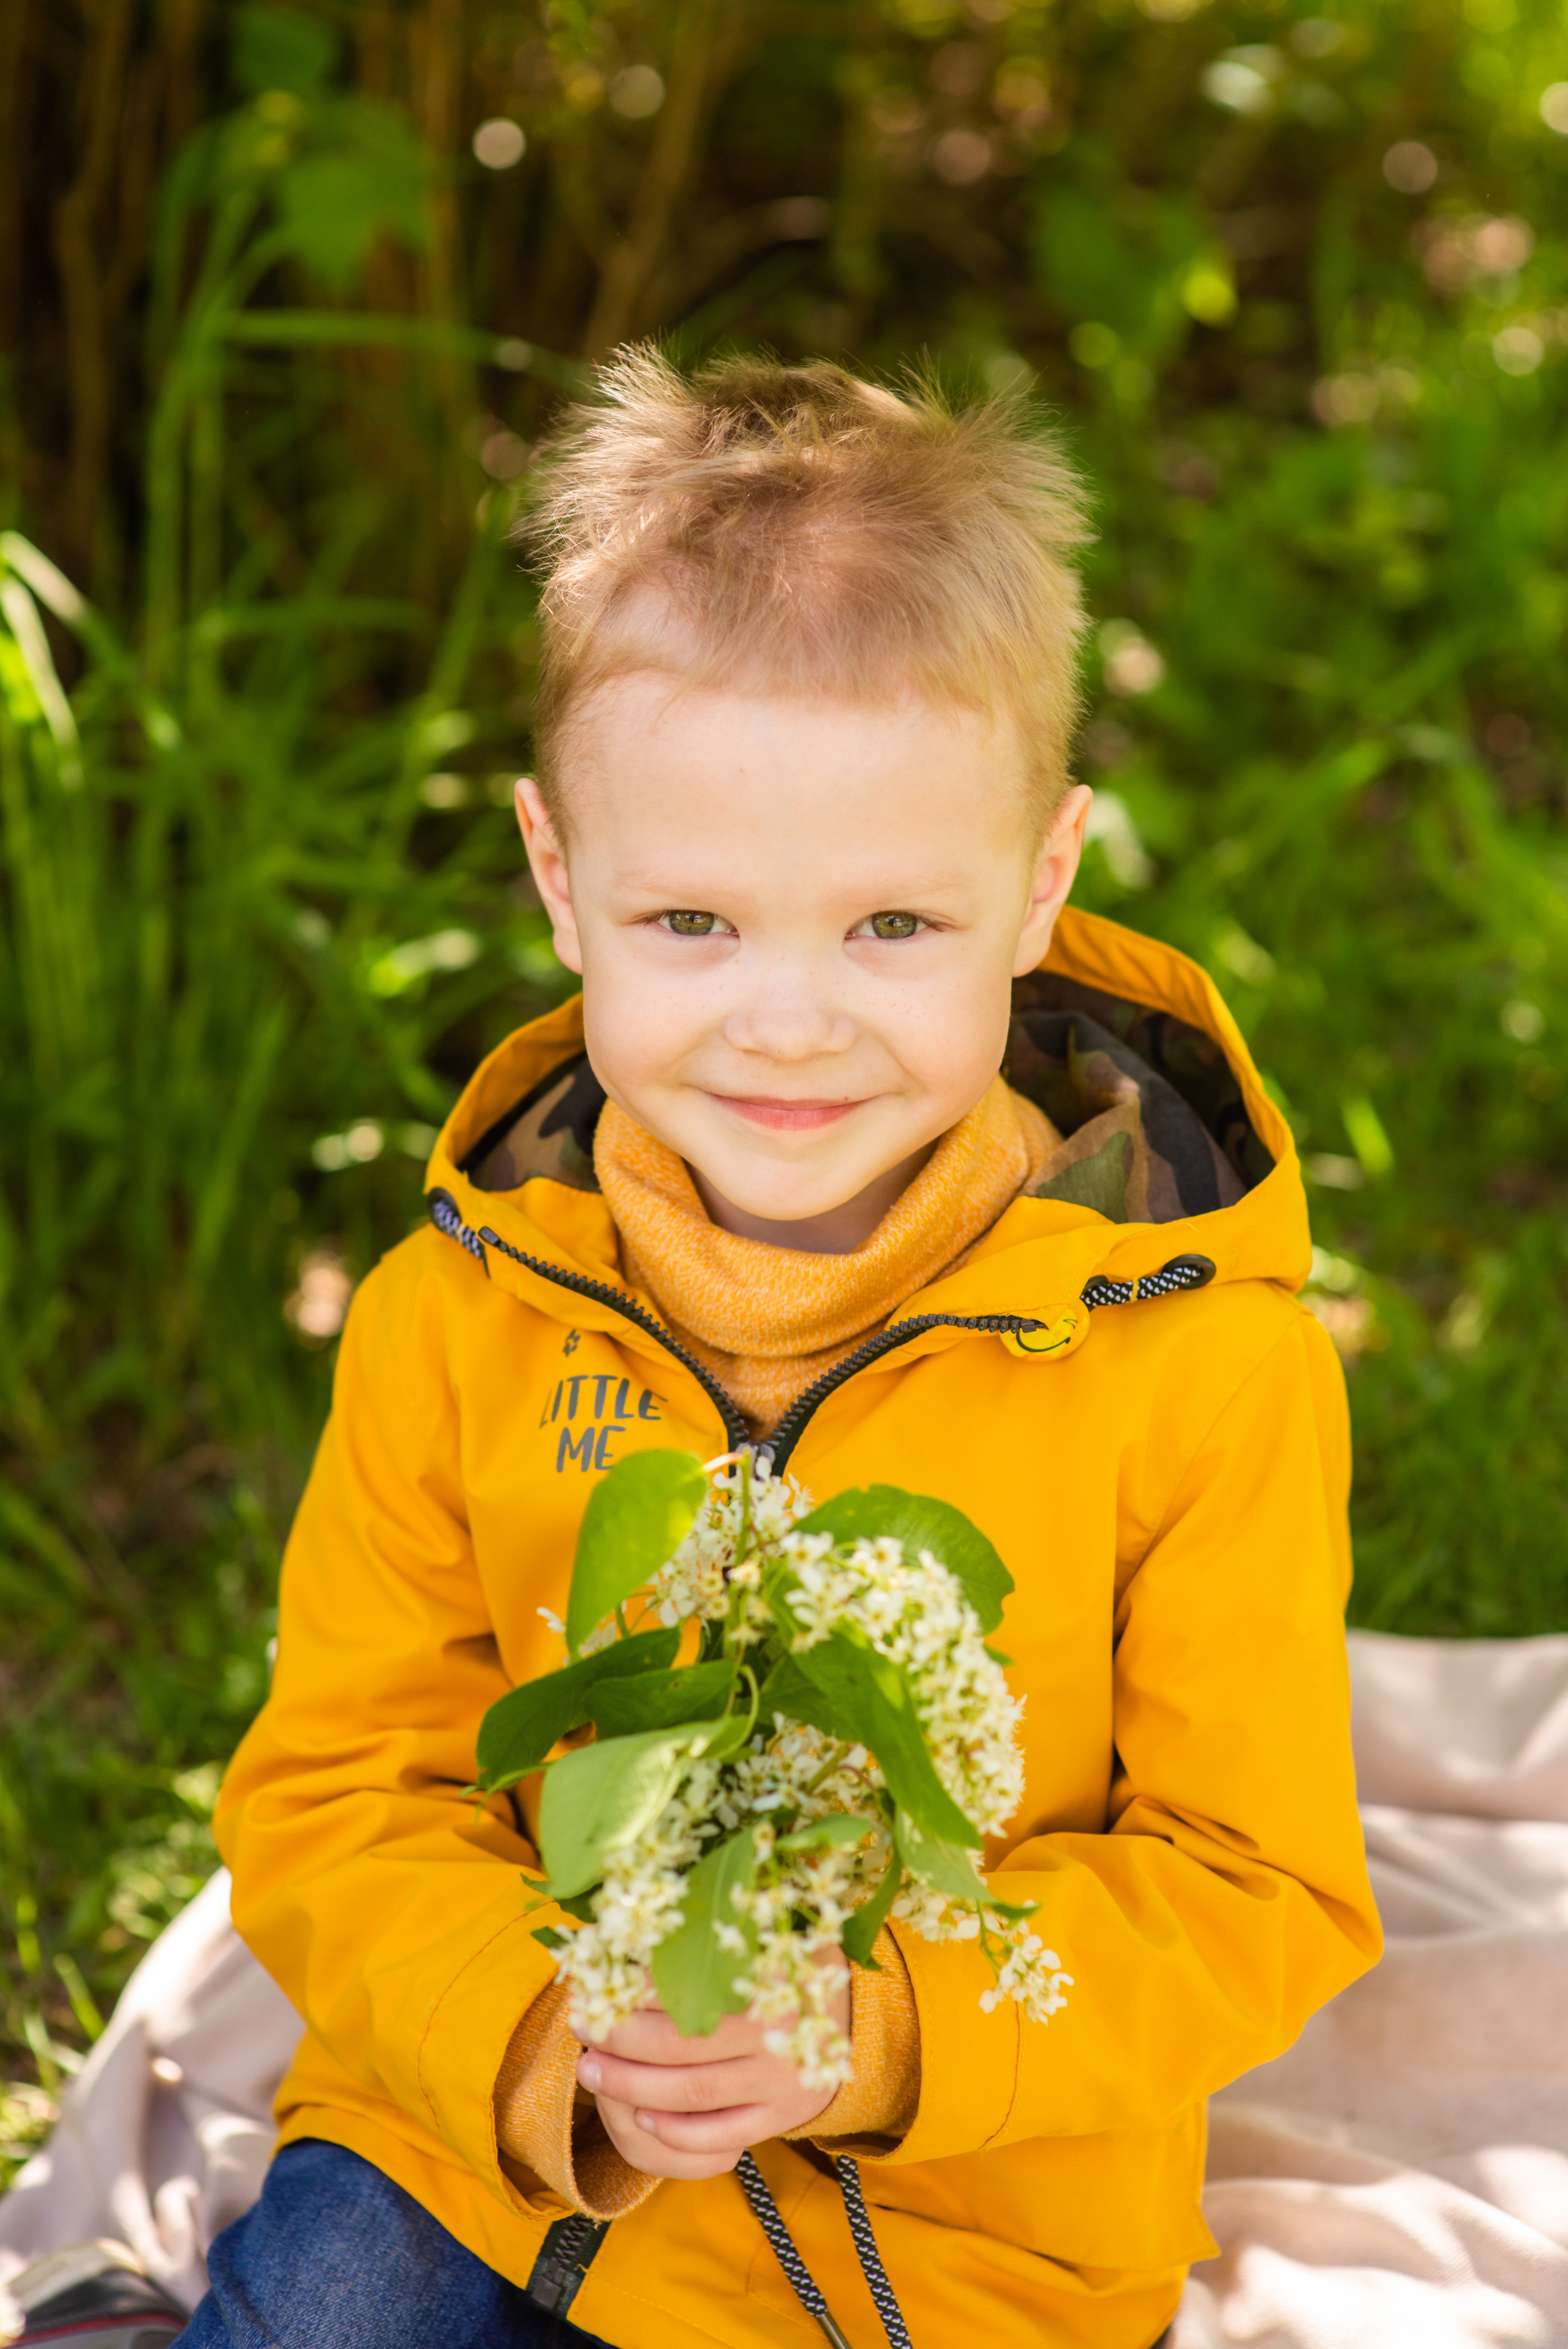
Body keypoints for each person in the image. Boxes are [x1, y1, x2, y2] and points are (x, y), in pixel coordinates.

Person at [180, 352, 1379, 2349]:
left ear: (1045, 882)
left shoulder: (1206, 1366)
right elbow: (334, 1790)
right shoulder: (454, 1317)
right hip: (489, 2150)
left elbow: (1255, 1883)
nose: (793, 1021)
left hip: (964, 2215)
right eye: (697, 923)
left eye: (895, 925)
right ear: (562, 880)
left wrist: (884, 2028)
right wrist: (542, 2027)